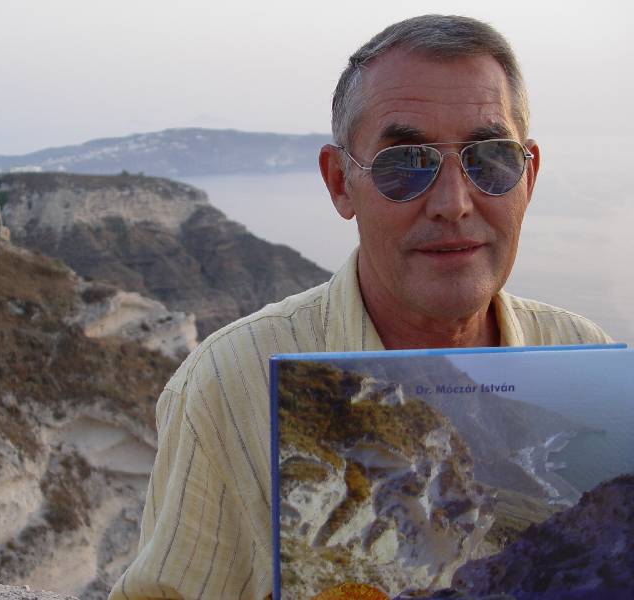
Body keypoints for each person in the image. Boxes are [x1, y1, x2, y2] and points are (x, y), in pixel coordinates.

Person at [108, 14, 612, 600]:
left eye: (490, 159)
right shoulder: (229, 385)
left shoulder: (591, 360)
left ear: (529, 176)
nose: (453, 203)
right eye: (406, 164)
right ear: (339, 182)